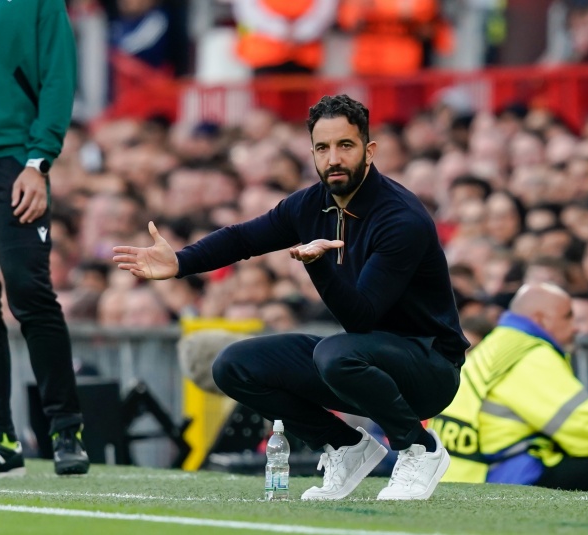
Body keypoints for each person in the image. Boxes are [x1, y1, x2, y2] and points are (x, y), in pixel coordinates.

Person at [113, 94, 468, 500]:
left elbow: (362, 317)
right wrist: (180, 261)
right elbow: (243, 239)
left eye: (345, 145)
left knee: (335, 353)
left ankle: (419, 447)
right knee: (233, 365)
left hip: (429, 368)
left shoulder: (400, 218)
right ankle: (345, 446)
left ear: (369, 151)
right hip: (363, 360)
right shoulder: (311, 204)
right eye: (323, 148)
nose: (333, 158)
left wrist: (317, 266)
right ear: (312, 153)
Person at [0, 0, 89, 475]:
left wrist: (39, 161)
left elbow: (58, 76)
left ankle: (66, 429)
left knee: (29, 292)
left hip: (14, 161)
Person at [428, 283, 588, 492]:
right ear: (541, 320)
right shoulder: (530, 353)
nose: (575, 327)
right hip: (498, 476)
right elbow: (581, 425)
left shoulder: (498, 344)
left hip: (458, 473)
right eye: (568, 316)